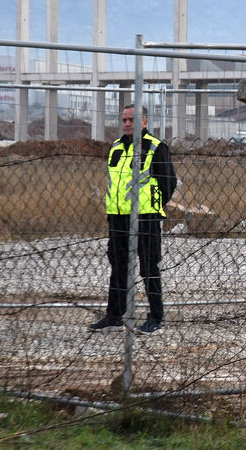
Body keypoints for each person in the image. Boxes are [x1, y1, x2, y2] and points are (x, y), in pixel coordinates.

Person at [89, 104, 177, 335]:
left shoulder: (156, 148)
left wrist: (152, 205)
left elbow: (168, 184)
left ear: (144, 122)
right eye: (125, 120)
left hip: (146, 218)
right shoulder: (116, 148)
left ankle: (155, 318)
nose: (128, 124)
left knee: (149, 267)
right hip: (118, 218)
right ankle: (114, 315)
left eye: (132, 120)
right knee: (118, 267)